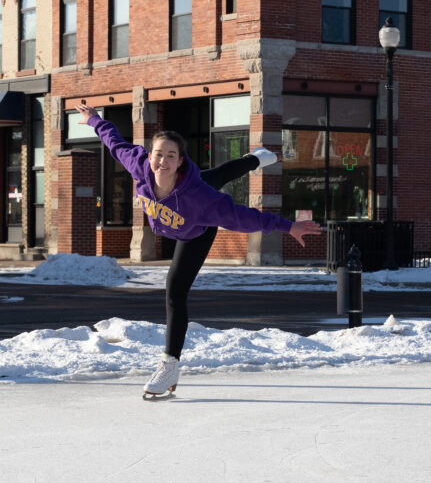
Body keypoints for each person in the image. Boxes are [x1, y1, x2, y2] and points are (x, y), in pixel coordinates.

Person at [74, 104, 321, 397]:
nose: (162, 161)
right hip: (189, 199)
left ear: (180, 161)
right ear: (149, 155)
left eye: (170, 156)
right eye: (158, 154)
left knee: (175, 291)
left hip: (196, 231)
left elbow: (245, 217)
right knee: (215, 175)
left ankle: (169, 367)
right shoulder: (139, 165)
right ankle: (256, 157)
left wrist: (287, 226)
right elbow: (115, 143)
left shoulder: (202, 200)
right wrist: (95, 121)